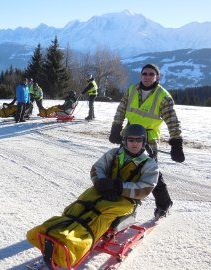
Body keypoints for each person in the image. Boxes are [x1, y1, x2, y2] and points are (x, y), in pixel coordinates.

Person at [27, 124, 159, 268]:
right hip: (102, 191)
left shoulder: (149, 164)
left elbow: (145, 188)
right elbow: (97, 168)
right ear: (125, 141)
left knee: (99, 214)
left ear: (144, 142)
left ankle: (75, 243)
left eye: (138, 140)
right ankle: (56, 231)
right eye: (131, 140)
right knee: (80, 205)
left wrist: (117, 186)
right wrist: (101, 183)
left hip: (125, 199)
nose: (134, 143)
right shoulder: (114, 153)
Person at [109, 63, 185, 219]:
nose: (148, 77)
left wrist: (176, 144)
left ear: (157, 77)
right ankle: (122, 201)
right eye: (145, 74)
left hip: (148, 139)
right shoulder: (131, 90)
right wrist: (116, 128)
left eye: (151, 74)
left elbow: (173, 121)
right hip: (128, 135)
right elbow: (120, 111)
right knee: (121, 166)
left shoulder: (163, 96)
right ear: (141, 75)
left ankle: (164, 204)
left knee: (150, 172)